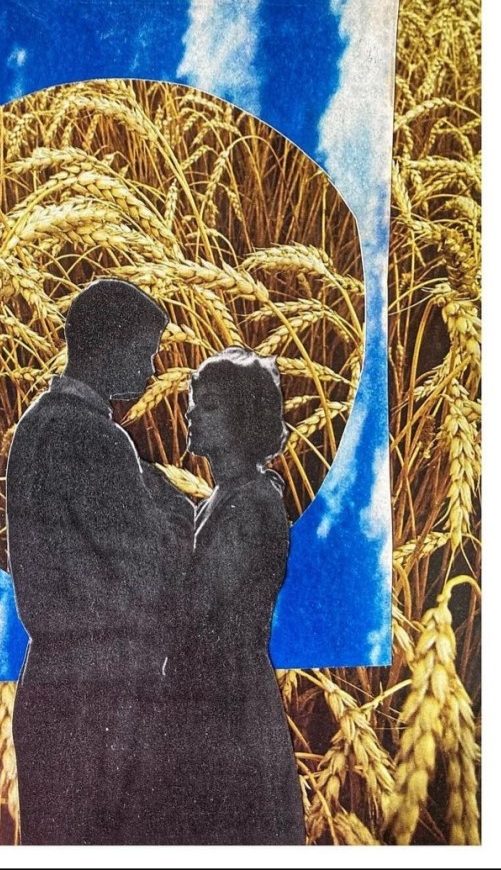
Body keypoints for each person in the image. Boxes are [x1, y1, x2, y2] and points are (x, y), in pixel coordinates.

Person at [6, 278, 192, 845]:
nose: (151, 371)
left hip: (48, 685)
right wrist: (175, 511)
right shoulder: (97, 439)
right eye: (145, 353)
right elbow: (151, 572)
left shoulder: (34, 426)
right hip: (103, 697)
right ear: (109, 347)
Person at [168, 346, 306, 844]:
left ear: (244, 417)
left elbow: (199, 603)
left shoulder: (252, 502)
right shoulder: (221, 498)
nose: (191, 414)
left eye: (208, 406)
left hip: (230, 703)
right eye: (193, 403)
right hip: (213, 695)